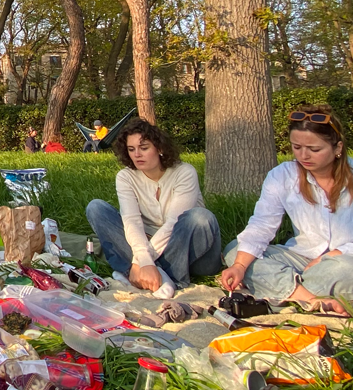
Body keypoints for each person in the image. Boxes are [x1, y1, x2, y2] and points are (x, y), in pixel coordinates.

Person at [221, 104, 353, 314]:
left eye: (314, 149)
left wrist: (332, 255)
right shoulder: (283, 175)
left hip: (344, 260)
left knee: (346, 270)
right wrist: (239, 266)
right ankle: (309, 299)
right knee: (235, 251)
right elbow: (262, 225)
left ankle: (279, 289)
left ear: (337, 148)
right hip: (298, 256)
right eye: (296, 147)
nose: (304, 155)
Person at [86, 118, 220, 296]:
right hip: (147, 241)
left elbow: (173, 223)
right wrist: (143, 257)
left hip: (188, 249)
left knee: (201, 218)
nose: (137, 155)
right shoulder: (125, 177)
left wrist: (140, 261)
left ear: (160, 148)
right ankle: (156, 275)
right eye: (131, 149)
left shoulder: (184, 173)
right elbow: (131, 220)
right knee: (96, 208)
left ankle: (143, 273)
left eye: (144, 148)